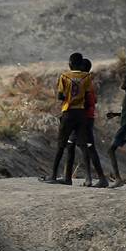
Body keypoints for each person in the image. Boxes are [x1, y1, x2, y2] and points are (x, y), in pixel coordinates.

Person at [43, 53, 93, 185]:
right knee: (83, 145)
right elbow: (88, 96)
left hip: (68, 112)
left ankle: (53, 175)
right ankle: (88, 178)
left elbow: (60, 96)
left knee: (61, 145)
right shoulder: (86, 77)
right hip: (81, 113)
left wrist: (67, 98)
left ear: (70, 63)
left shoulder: (64, 76)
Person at [61, 58, 109, 188]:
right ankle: (70, 178)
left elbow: (89, 101)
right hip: (83, 119)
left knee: (88, 147)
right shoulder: (86, 82)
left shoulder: (85, 83)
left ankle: (99, 178)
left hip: (84, 119)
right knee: (75, 146)